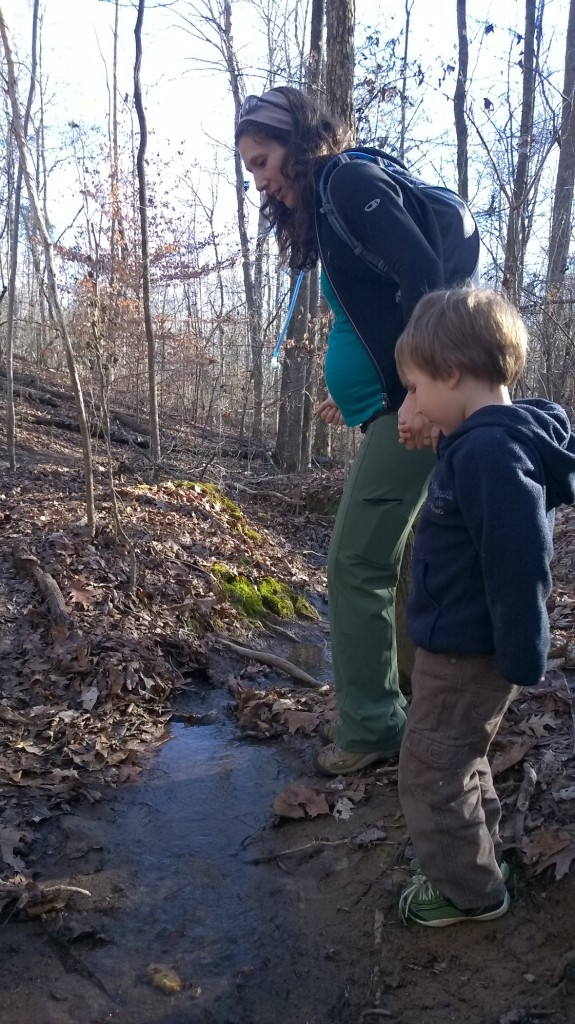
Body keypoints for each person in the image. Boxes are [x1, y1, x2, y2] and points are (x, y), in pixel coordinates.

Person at [235, 86, 440, 776]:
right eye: (251, 169)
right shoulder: (330, 202)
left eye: (263, 161)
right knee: (395, 558)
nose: (260, 179)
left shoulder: (348, 179)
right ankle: (408, 700)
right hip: (392, 405)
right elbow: (374, 312)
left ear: (296, 144)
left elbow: (425, 275)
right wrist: (352, 393)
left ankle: (371, 727)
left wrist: (417, 388)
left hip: (417, 404)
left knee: (353, 562)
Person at [393, 287, 575, 926]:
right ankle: (471, 854)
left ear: (451, 372)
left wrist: (526, 650)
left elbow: (518, 560)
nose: (409, 404)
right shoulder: (484, 442)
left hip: (469, 653)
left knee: (429, 770)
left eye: (414, 388)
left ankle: (468, 891)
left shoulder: (493, 455)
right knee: (458, 757)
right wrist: (435, 428)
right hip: (463, 645)